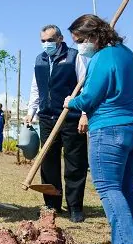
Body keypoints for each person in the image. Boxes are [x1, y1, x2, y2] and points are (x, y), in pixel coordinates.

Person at [64, 14, 133, 244]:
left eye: (79, 40)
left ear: (91, 36)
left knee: (109, 190)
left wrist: (71, 102)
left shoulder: (102, 58)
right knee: (124, 190)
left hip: (110, 129)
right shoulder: (127, 53)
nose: (79, 46)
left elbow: (90, 97)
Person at [25, 24, 89, 223]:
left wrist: (85, 113)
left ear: (60, 39)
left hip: (71, 117)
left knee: (75, 163)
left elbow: (85, 85)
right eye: (43, 41)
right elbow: (36, 89)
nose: (46, 44)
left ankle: (75, 207)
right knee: (48, 163)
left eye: (50, 40)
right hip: (47, 118)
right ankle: (52, 205)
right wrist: (31, 111)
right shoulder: (40, 59)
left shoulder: (74, 56)